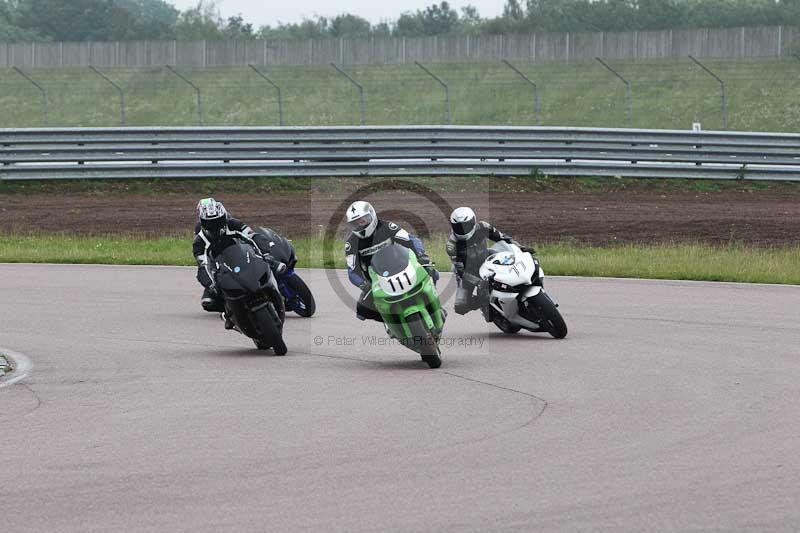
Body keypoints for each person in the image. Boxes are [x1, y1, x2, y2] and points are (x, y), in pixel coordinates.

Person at [193, 198, 287, 323]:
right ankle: (230, 313)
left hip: (242, 255)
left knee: (268, 262)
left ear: (224, 216)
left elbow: (253, 236)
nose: (214, 225)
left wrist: (266, 254)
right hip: (220, 266)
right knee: (208, 302)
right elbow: (203, 265)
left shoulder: (233, 224)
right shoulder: (199, 241)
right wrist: (210, 284)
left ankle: (273, 288)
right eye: (209, 223)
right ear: (202, 222)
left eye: (218, 221)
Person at [344, 200, 437, 322]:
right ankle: (390, 322)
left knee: (432, 272)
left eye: (363, 219)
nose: (360, 224)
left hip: (401, 268)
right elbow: (352, 271)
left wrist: (421, 256)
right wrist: (364, 285)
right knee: (362, 310)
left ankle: (433, 305)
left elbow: (411, 240)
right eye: (355, 222)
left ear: (372, 215)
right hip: (376, 281)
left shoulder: (387, 226)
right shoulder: (351, 243)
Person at [445, 207, 535, 319]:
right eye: (458, 227)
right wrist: (478, 282)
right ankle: (486, 304)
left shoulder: (483, 227)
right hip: (469, 272)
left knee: (513, 266)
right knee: (460, 306)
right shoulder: (451, 246)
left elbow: (503, 238)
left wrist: (521, 247)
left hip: (487, 257)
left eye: (466, 225)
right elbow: (461, 271)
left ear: (473, 221)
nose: (463, 230)